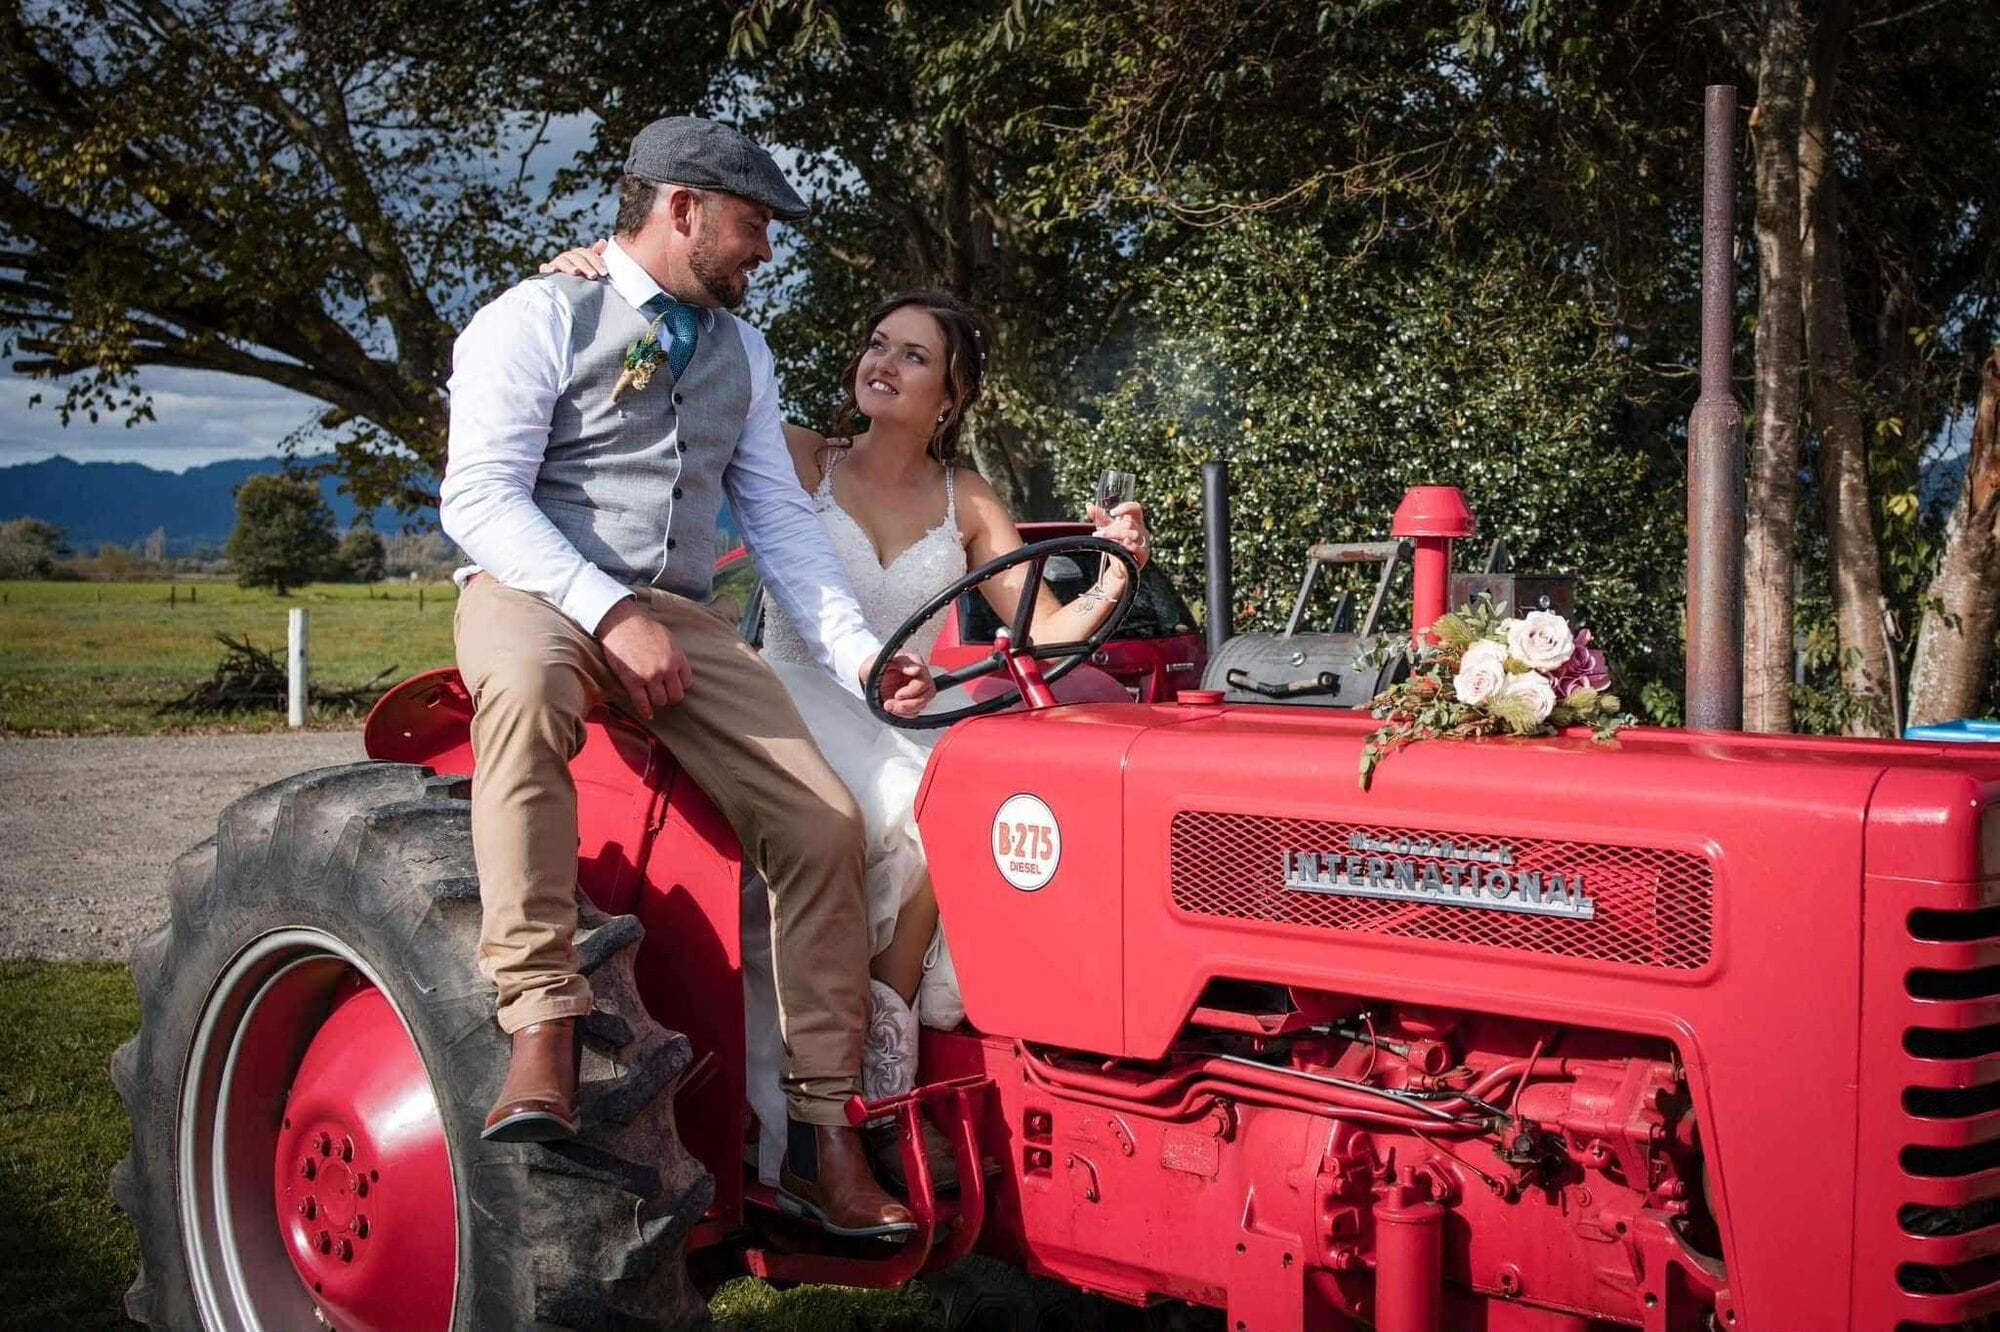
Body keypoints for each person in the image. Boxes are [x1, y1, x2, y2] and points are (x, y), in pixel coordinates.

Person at [537, 252, 1150, 1180]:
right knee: (912, 802)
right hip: (792, 690)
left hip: (902, 705)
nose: (882, 363)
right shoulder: (797, 453)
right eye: (876, 345)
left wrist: (1115, 568)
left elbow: (1048, 630)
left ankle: (885, 1049)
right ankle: (853, 1080)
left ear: (950, 396)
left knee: (981, 800)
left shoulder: (969, 498)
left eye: (912, 355)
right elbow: (661, 407)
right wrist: (599, 279)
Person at [440, 115, 937, 1240]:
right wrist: (609, 613)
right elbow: (478, 498)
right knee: (523, 697)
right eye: (752, 224)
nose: (765, 249)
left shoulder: (742, 352)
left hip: (674, 610)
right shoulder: (534, 316)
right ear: (681, 210)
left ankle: (819, 1135)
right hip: (532, 589)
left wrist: (863, 658)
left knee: (822, 822)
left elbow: (780, 524)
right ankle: (541, 1021)